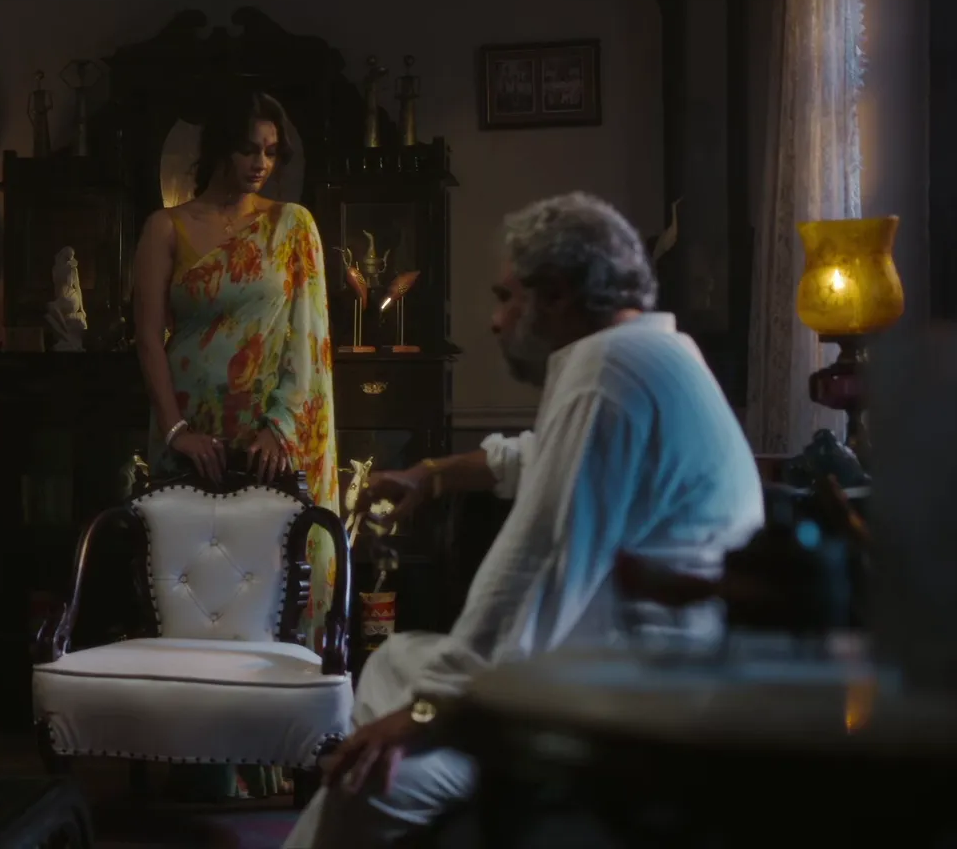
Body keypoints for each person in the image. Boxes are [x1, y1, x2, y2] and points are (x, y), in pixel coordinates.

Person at [285, 192, 764, 847]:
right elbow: (535, 457)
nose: (494, 321)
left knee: (369, 776)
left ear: (558, 293)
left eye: (506, 297)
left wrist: (423, 715)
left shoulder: (609, 372)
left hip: (632, 705)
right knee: (395, 659)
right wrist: (430, 474)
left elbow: (534, 567)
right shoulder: (654, 355)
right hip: (618, 671)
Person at [131, 90, 339, 799]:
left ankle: (269, 753)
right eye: (249, 147)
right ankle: (202, 758)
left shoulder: (292, 225)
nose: (260, 163)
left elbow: (309, 334)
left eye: (272, 151)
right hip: (191, 434)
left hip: (268, 439)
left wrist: (281, 426)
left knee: (268, 588)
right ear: (218, 147)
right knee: (197, 591)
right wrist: (176, 430)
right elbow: (149, 339)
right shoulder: (165, 228)